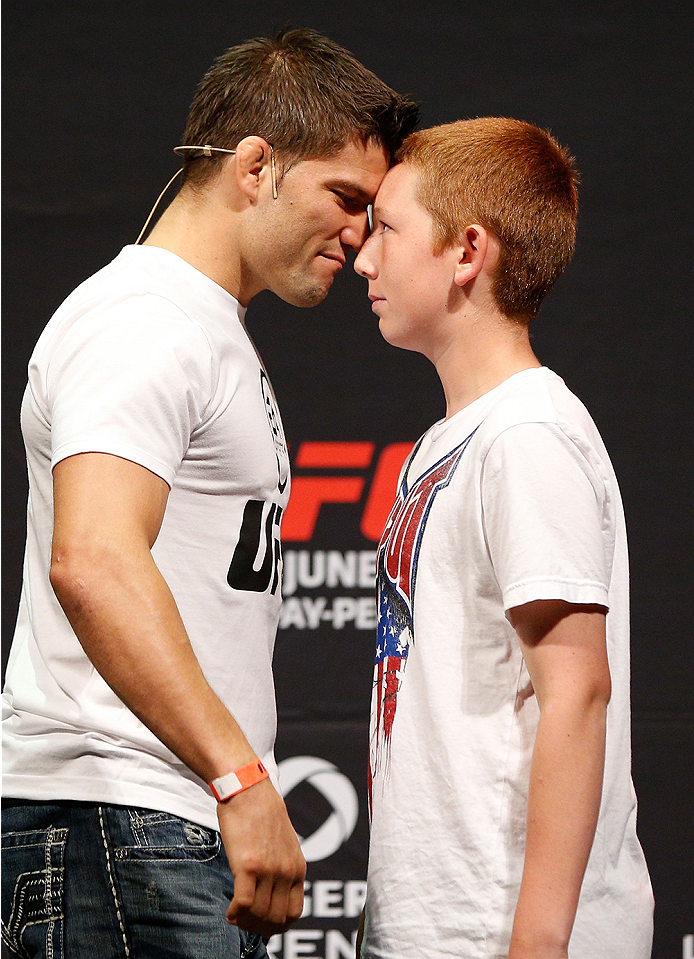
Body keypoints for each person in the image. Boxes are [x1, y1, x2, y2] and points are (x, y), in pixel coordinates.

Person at [0, 28, 418, 959]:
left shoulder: (201, 327)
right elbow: (96, 560)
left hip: (149, 821)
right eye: (345, 198)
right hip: (118, 817)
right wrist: (242, 779)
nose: (359, 238)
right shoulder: (145, 323)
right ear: (257, 166)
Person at [353, 118, 653, 958]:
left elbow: (576, 690)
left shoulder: (527, 433)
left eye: (388, 227)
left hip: (500, 936)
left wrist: (537, 941)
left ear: (466, 252)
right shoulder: (453, 440)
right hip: (438, 927)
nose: (365, 259)